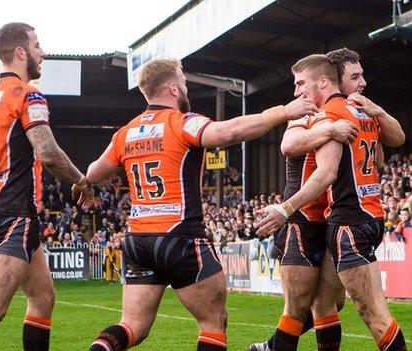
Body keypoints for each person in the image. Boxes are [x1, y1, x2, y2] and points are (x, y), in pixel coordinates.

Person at [78, 58, 318, 351]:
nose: (185, 85)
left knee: (132, 326)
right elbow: (230, 132)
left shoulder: (125, 133)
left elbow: (93, 173)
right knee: (213, 322)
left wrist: (87, 186)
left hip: (137, 239)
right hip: (179, 235)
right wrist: (283, 112)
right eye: (183, 80)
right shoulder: (183, 122)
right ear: (173, 88)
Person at [0, 22, 93, 351]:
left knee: (43, 298)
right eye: (38, 45)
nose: (43, 52)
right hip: (14, 214)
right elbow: (48, 153)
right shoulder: (27, 94)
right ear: (21, 52)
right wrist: (82, 181)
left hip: (0, 210)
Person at [250, 48, 406, 351]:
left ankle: (271, 347)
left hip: (342, 218)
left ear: (324, 81)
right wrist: (330, 129)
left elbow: (332, 172)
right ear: (333, 79)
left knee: (344, 305)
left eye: (299, 83)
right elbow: (289, 144)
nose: (362, 83)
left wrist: (368, 115)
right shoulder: (315, 111)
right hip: (310, 217)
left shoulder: (355, 111)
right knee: (319, 303)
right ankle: (271, 347)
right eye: (355, 76)